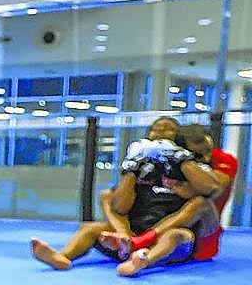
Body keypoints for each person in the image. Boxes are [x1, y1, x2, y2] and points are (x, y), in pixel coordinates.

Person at [29, 116, 192, 272]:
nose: (161, 132)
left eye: (168, 129)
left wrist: (181, 163)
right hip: (132, 235)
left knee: (175, 235)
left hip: (165, 241)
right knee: (90, 227)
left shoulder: (186, 165)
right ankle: (62, 257)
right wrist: (131, 167)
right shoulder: (142, 164)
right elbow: (120, 206)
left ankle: (143, 261)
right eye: (156, 129)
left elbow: (201, 198)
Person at [100, 124, 239, 276]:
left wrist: (185, 163)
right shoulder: (158, 158)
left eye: (208, 151)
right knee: (108, 195)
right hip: (170, 225)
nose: (207, 158)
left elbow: (215, 189)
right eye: (198, 154)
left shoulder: (223, 160)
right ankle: (128, 240)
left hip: (204, 229)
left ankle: (139, 243)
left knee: (199, 203)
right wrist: (131, 167)